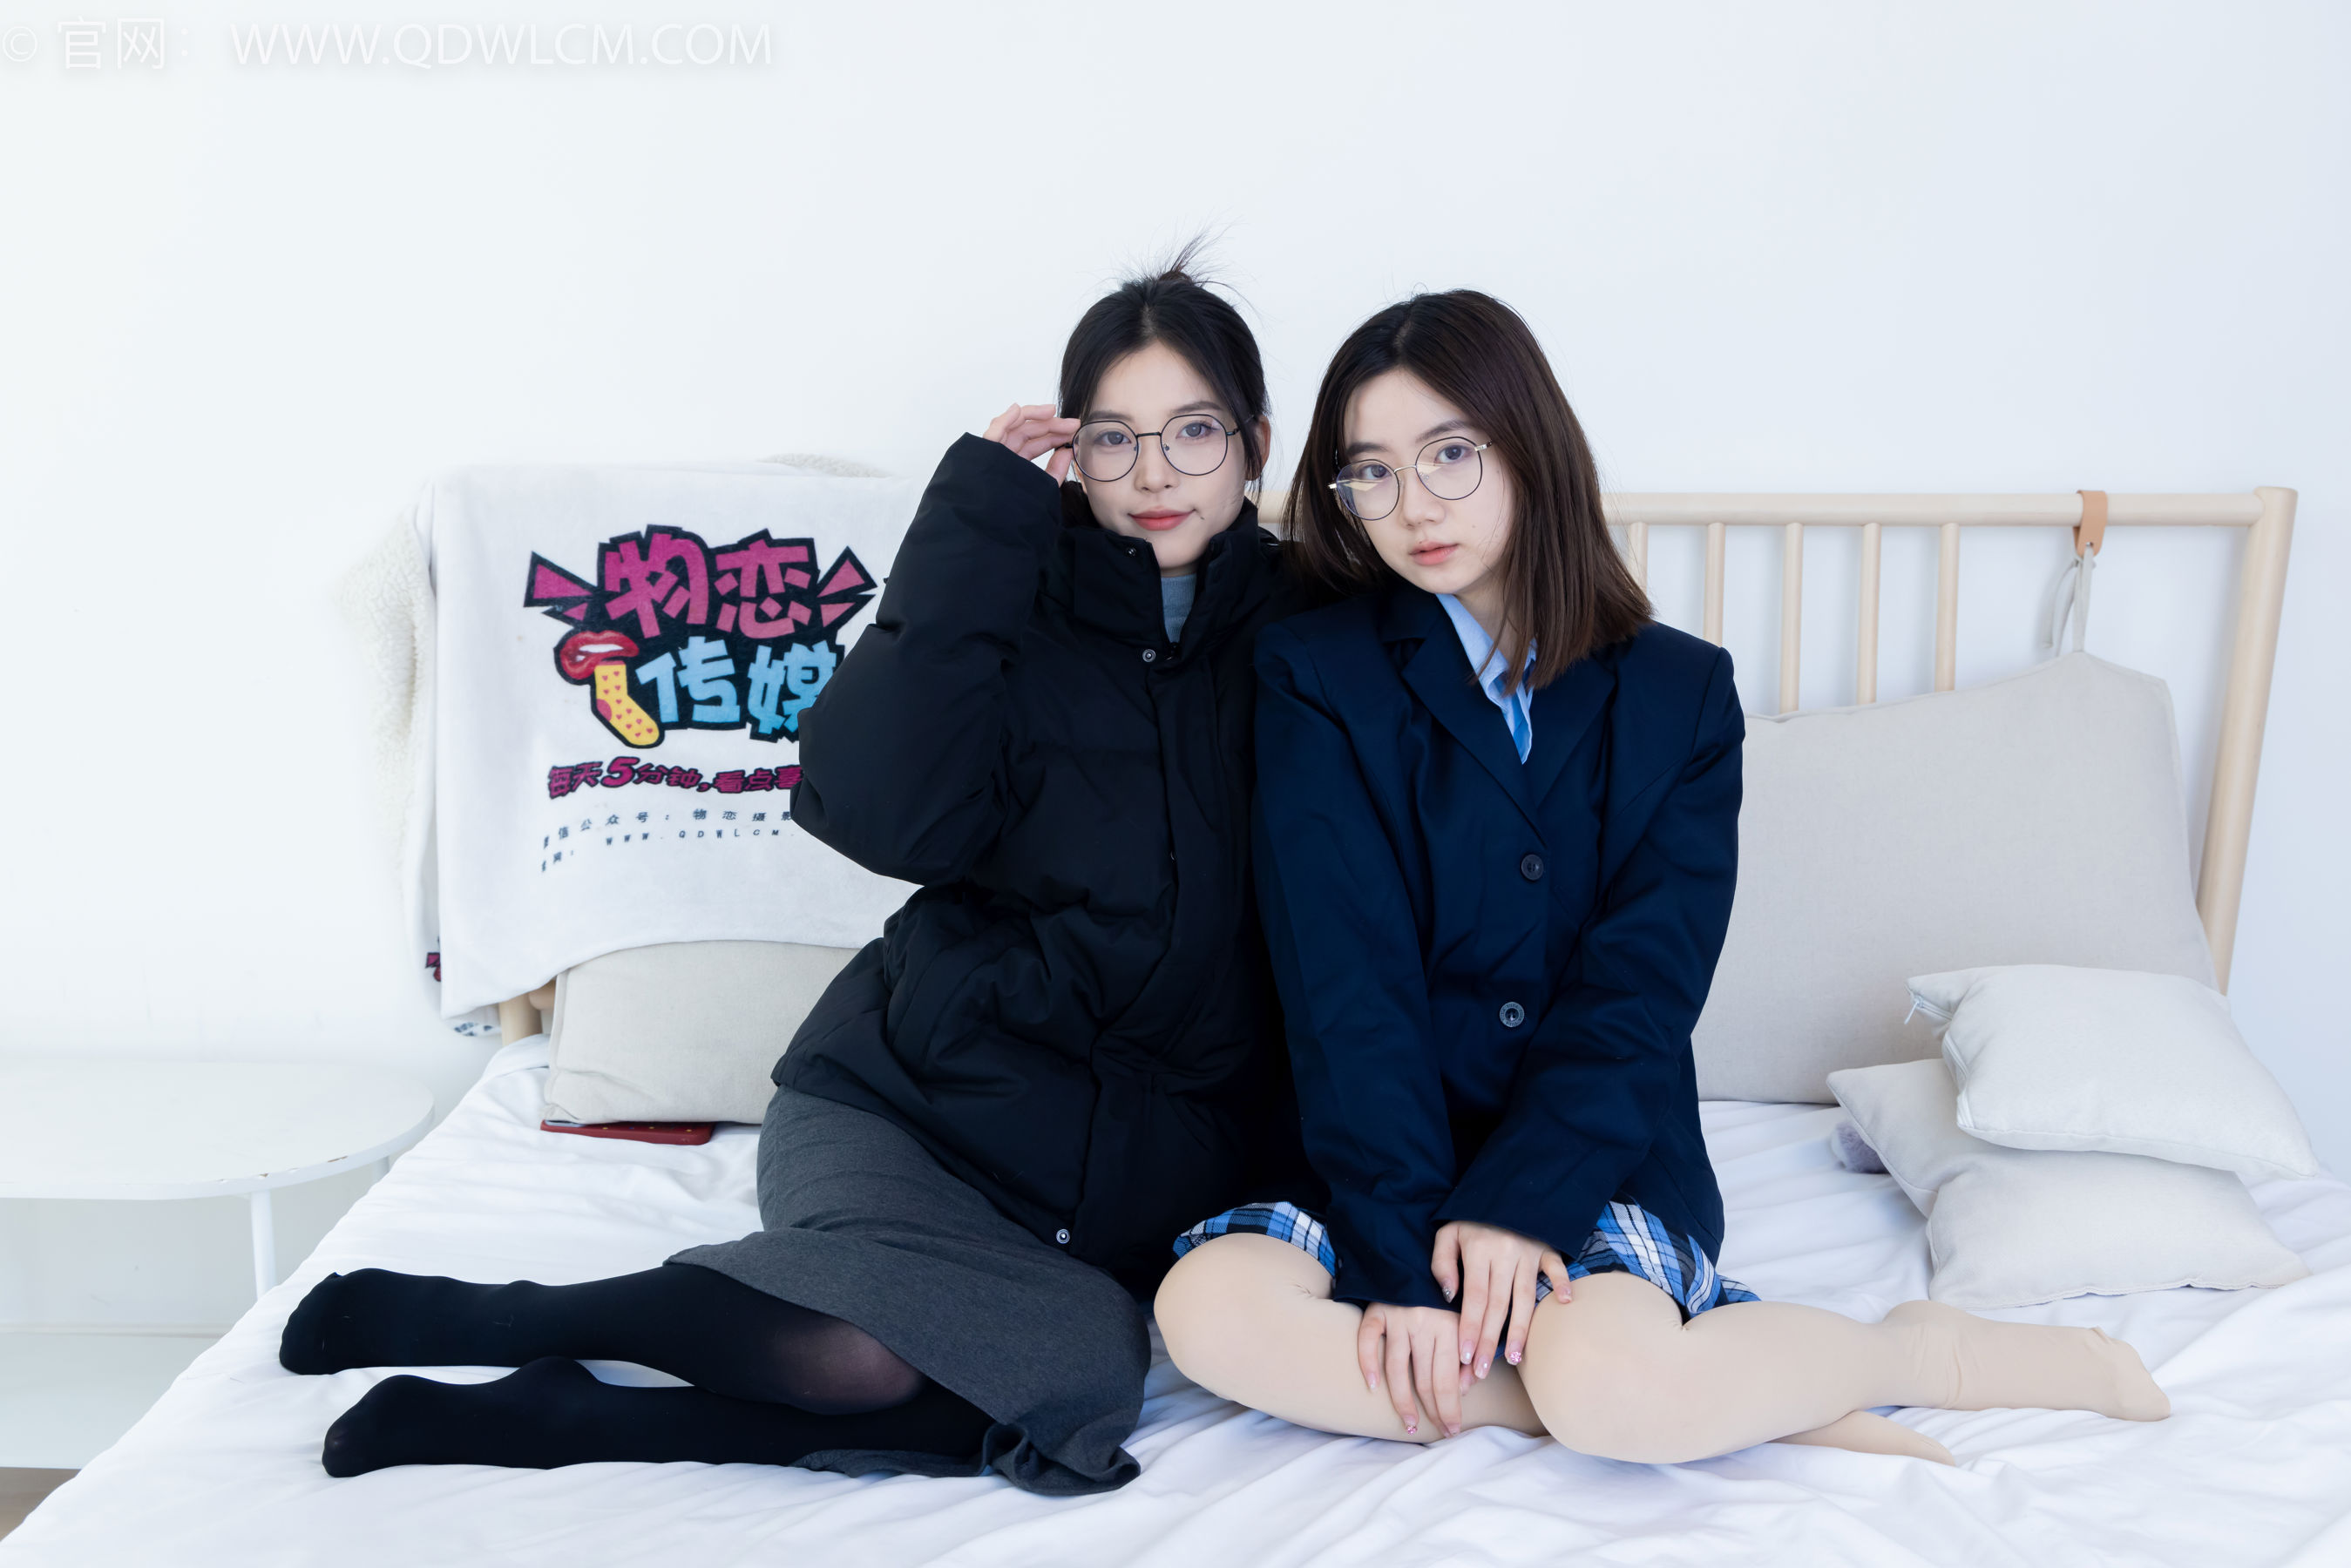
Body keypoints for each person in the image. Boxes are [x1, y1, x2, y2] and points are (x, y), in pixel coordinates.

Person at [279, 255, 1310, 1495]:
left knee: (1069, 1376)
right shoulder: (1004, 602)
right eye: (1112, 438)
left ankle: (565, 1414)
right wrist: (972, 526)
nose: (1153, 474)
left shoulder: (1316, 639)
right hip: (911, 1111)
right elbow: (876, 815)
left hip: (1120, 1182)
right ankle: (509, 1320)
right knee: (868, 1358)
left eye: (1193, 432)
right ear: (1069, 454)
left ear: (1255, 444)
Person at [1152, 290, 2171, 1467]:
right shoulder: (1314, 673)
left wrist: (1516, 1208)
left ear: (1529, 446)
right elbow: (1346, 982)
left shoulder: (1678, 694)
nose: (1413, 505)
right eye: (1370, 473)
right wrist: (1401, 1266)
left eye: (1450, 454)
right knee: (1207, 1315)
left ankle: (1908, 1355)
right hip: (1366, 1150)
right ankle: (1747, 1392)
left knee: (1614, 1391)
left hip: (1595, 1145)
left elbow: (1640, 988)